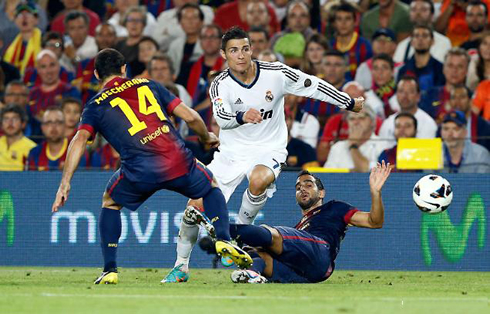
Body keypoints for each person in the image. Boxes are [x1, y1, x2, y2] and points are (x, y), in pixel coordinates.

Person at [164, 27, 364, 283]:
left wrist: (347, 101)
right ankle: (181, 265)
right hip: (231, 153)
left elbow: (312, 85)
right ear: (224, 55)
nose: (241, 55)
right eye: (234, 50)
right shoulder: (220, 84)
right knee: (194, 206)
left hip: (269, 148)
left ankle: (238, 239)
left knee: (259, 179)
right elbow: (222, 118)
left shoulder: (276, 74)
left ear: (251, 50)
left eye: (245, 49)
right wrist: (241, 116)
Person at [51, 48, 252, 285]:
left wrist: (65, 183)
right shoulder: (147, 85)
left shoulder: (95, 105)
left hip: (139, 171)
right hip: (176, 159)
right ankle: (224, 238)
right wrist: (206, 137)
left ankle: (110, 270)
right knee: (210, 186)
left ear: (96, 74)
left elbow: (79, 140)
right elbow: (189, 116)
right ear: (124, 68)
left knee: (110, 202)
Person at [197, 164, 391, 283]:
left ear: (321, 192)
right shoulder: (299, 228)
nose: (302, 189)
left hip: (320, 251)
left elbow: (375, 222)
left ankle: (222, 231)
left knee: (270, 235)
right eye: (298, 187)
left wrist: (376, 192)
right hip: (308, 274)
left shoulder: (335, 208)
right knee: (258, 253)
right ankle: (252, 273)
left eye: (308, 184)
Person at [0, 104, 36, 171]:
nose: (10, 123)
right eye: (6, 119)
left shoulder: (32, 148)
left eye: (15, 119)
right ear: (1, 125)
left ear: (23, 124)